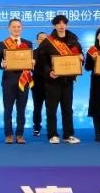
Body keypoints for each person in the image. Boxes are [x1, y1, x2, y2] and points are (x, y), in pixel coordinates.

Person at [34, 15, 83, 144]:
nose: (61, 25)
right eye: (58, 23)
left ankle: (68, 135)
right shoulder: (47, 42)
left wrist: (81, 59)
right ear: (54, 25)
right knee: (52, 109)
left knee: (68, 109)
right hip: (52, 81)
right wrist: (49, 72)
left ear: (66, 25)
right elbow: (42, 61)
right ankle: (52, 134)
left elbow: (79, 58)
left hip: (68, 81)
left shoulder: (74, 40)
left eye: (63, 23)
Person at [0, 18, 33, 144]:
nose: (16, 29)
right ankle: (8, 134)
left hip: (24, 80)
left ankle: (20, 134)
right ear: (9, 28)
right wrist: (3, 64)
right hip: (8, 80)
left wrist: (32, 63)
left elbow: (30, 60)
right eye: (14, 27)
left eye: (18, 27)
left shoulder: (28, 43)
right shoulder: (2, 44)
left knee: (21, 109)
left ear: (21, 28)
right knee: (8, 109)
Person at [31, 32, 47, 137]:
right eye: (40, 38)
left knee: (51, 108)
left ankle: (51, 128)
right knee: (37, 107)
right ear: (37, 40)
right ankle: (37, 127)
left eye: (45, 38)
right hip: (37, 84)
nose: (43, 40)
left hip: (51, 84)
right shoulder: (32, 53)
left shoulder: (52, 53)